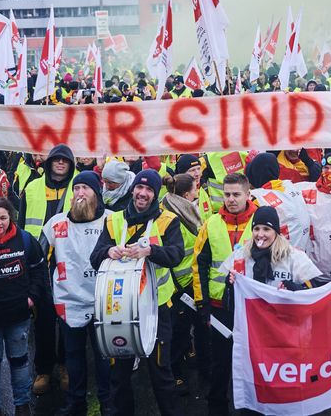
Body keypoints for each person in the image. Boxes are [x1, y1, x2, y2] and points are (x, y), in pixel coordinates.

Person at [90, 169, 186, 415]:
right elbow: (94, 258)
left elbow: (175, 255)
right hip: (119, 309)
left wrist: (150, 251)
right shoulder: (113, 221)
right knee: (119, 377)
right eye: (139, 188)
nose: (143, 194)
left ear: (155, 195)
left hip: (157, 309)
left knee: (160, 373)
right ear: (133, 189)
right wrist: (107, 252)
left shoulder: (168, 221)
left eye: (149, 190)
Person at [39, 171, 110, 416]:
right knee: (73, 357)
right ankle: (75, 402)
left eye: (85, 189)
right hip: (69, 302)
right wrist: (45, 293)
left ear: (97, 194)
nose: (79, 193)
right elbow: (40, 259)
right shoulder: (56, 223)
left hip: (103, 302)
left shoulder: (111, 221)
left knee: (104, 358)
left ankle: (107, 403)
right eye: (76, 188)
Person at [0, 197, 47, 416]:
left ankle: (22, 404)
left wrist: (32, 297)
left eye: (3, 218)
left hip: (18, 315)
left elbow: (39, 270)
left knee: (20, 362)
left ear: (11, 218)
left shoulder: (24, 239)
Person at [192, 172, 257, 415]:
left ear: (248, 194)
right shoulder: (211, 224)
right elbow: (199, 265)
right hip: (219, 307)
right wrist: (203, 305)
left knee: (250, 360)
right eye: (227, 194)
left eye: (236, 194)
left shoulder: (259, 221)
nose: (230, 199)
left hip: (251, 306)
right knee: (220, 362)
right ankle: (217, 406)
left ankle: (251, 405)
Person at [19, 143, 75, 395]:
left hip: (68, 262)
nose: (60, 164)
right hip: (38, 263)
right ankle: (43, 369)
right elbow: (20, 225)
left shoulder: (79, 188)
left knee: (67, 318)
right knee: (42, 321)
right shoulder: (31, 187)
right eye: (56, 160)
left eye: (65, 160)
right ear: (49, 162)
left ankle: (64, 365)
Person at [161, 173, 207, 394]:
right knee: (178, 332)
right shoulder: (175, 218)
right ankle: (174, 373)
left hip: (190, 281)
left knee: (193, 326)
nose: (198, 191)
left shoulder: (178, 208)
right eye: (196, 188)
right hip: (179, 285)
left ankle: (192, 361)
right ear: (187, 194)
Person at [222, 206, 324, 290]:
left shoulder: (294, 257)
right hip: (251, 314)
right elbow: (230, 305)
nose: (260, 234)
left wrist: (294, 289)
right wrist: (230, 286)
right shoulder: (241, 255)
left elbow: (312, 293)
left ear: (275, 232)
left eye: (266, 229)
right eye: (256, 229)